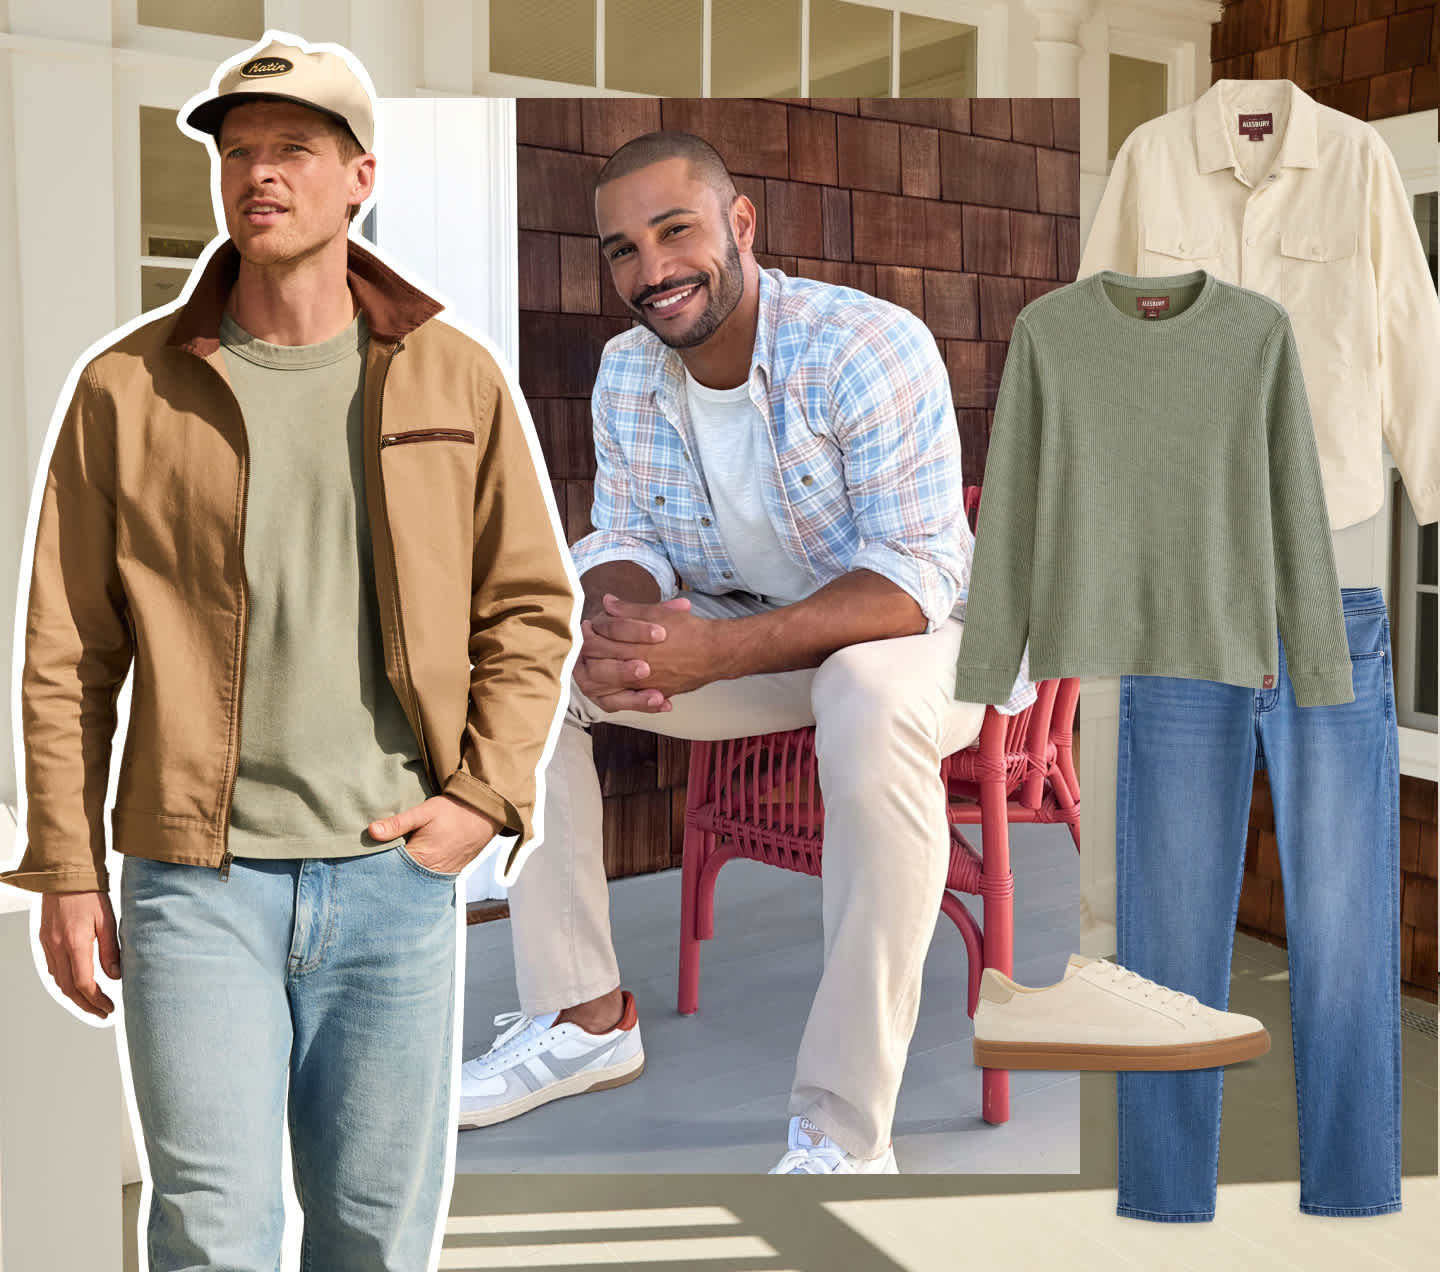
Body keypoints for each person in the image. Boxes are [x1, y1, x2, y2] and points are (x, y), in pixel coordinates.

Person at [4, 35, 574, 1270]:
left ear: (359, 175)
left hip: (394, 877)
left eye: (293, 151)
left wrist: (481, 798)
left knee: (375, 1236)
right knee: (212, 1234)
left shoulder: (452, 375)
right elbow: (66, 648)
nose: (259, 174)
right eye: (240, 152)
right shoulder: (129, 390)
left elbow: (529, 609)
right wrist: (63, 862)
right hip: (196, 881)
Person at [458, 129, 1030, 1173]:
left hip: (926, 635)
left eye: (675, 231)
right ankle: (585, 1020)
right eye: (622, 250)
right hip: (754, 635)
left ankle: (846, 1133)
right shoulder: (628, 372)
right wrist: (611, 622)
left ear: (741, 224)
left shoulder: (866, 345)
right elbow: (627, 535)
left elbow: (912, 578)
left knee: (865, 685)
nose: (652, 270)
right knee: (529, 670)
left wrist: (714, 654)